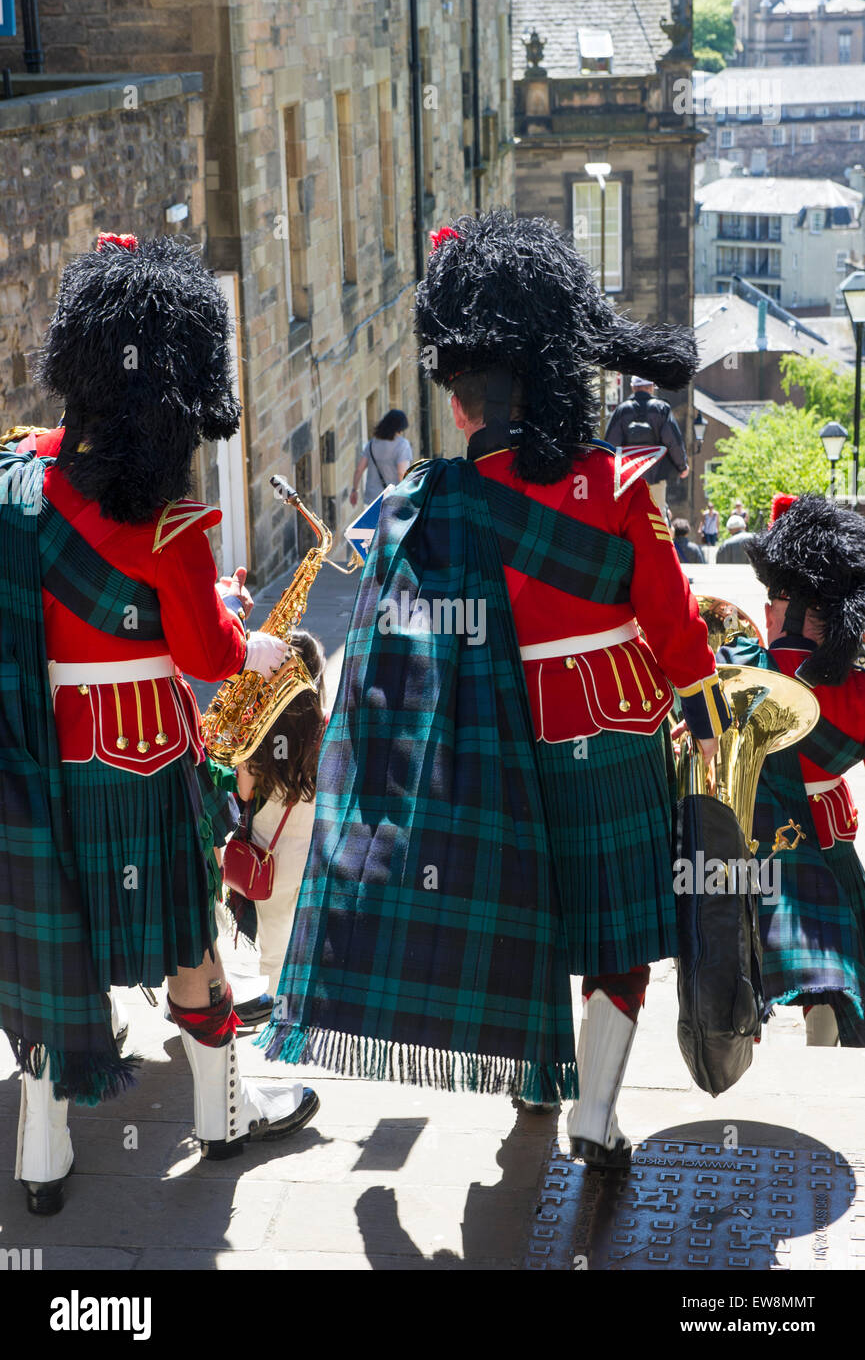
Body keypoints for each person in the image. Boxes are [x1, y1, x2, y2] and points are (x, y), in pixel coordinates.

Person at [262, 210, 731, 1168]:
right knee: (612, 933)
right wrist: (703, 705)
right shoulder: (614, 483)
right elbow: (675, 626)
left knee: (519, 915)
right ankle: (595, 1111)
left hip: (485, 747)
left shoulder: (422, 504)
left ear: (461, 400)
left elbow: (401, 652)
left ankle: (530, 1085)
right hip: (607, 737)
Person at [0, 233, 318, 1215]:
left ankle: (44, 1148)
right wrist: (258, 650)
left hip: (38, 761)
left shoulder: (13, 484)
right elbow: (209, 653)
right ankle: (223, 1114)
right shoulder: (170, 522)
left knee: (54, 939)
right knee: (189, 938)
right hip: (139, 762)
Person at [717, 493, 865, 1047]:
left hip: (742, 846)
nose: (766, 612)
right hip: (826, 842)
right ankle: (820, 1050)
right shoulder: (852, 691)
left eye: (773, 600)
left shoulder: (735, 668)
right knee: (831, 967)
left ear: (790, 608)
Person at [222, 630, 327, 1013]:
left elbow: (245, 793)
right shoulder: (327, 726)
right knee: (311, 926)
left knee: (277, 933)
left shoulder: (260, 732)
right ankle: (308, 998)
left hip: (270, 852)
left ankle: (281, 1005)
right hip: (314, 846)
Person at [604, 374, 689, 513]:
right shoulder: (662, 409)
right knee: (657, 517)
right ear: (651, 387)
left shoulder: (621, 410)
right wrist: (682, 466)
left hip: (628, 477)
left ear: (633, 387)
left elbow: (610, 444)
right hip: (657, 474)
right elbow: (673, 441)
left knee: (628, 516)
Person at [349, 408, 411, 508]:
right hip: (393, 499)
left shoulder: (372, 443)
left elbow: (359, 469)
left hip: (372, 500)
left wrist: (354, 490)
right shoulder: (403, 445)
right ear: (400, 428)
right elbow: (402, 474)